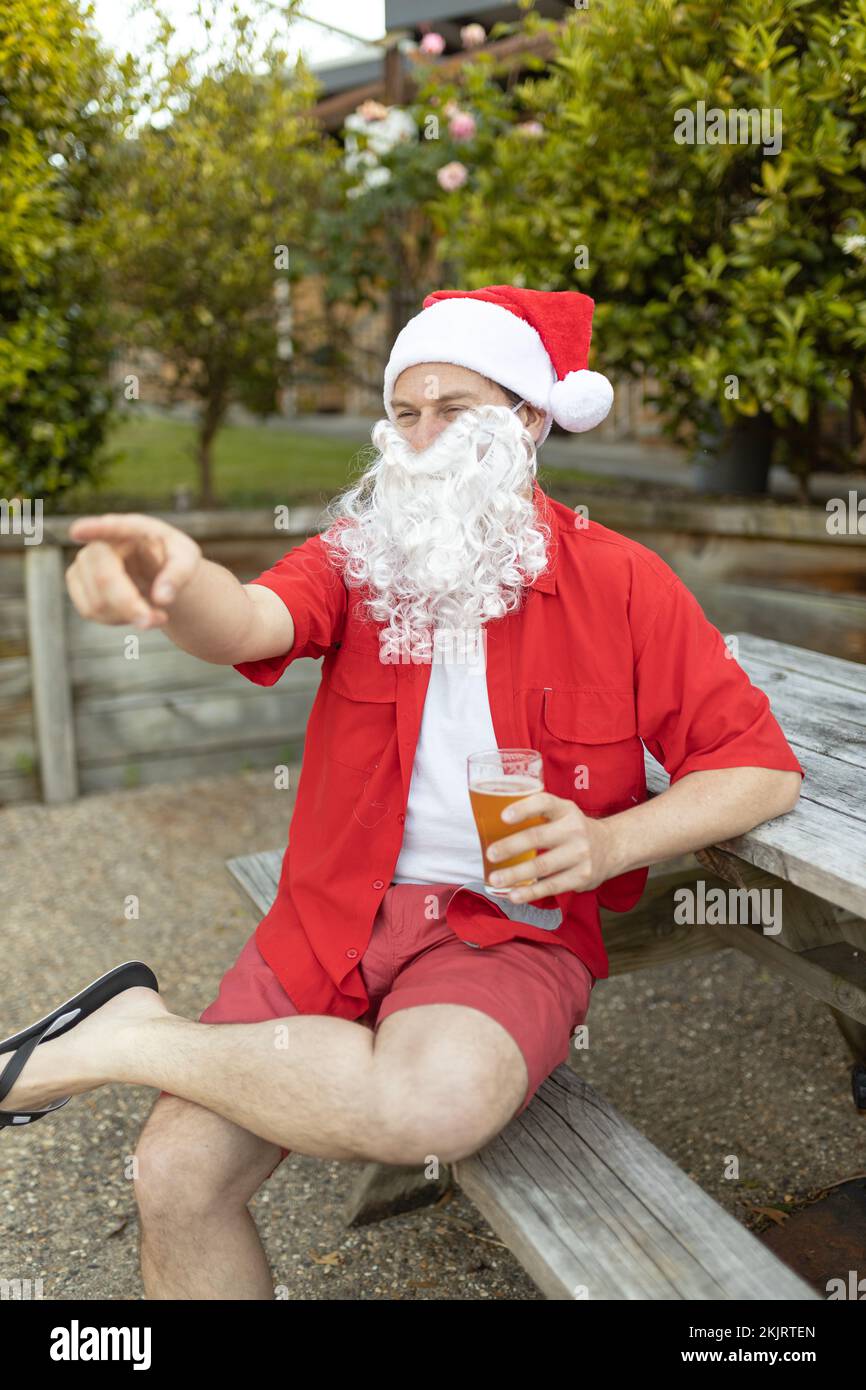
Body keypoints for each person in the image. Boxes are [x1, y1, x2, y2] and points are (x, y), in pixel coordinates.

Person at [1, 285, 803, 1299]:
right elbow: (249, 622)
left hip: (507, 928)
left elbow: (757, 765)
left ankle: (130, 1037)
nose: (421, 438)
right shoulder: (360, 558)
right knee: (173, 1173)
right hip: (336, 912)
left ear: (525, 419)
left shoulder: (624, 582)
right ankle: (131, 1036)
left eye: (453, 409)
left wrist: (608, 846)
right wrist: (175, 586)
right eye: (405, 412)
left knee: (436, 1100)